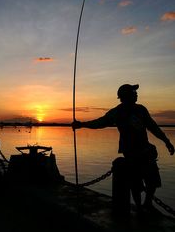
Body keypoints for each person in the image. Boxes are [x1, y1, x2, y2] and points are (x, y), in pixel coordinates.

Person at [72, 84, 174, 212]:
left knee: (152, 179)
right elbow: (100, 122)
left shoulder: (141, 109)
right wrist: (82, 124)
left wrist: (166, 141)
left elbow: (153, 127)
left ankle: (147, 203)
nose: (136, 94)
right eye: (133, 92)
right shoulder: (117, 112)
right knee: (136, 181)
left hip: (146, 150)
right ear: (125, 95)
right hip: (130, 152)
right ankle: (139, 207)